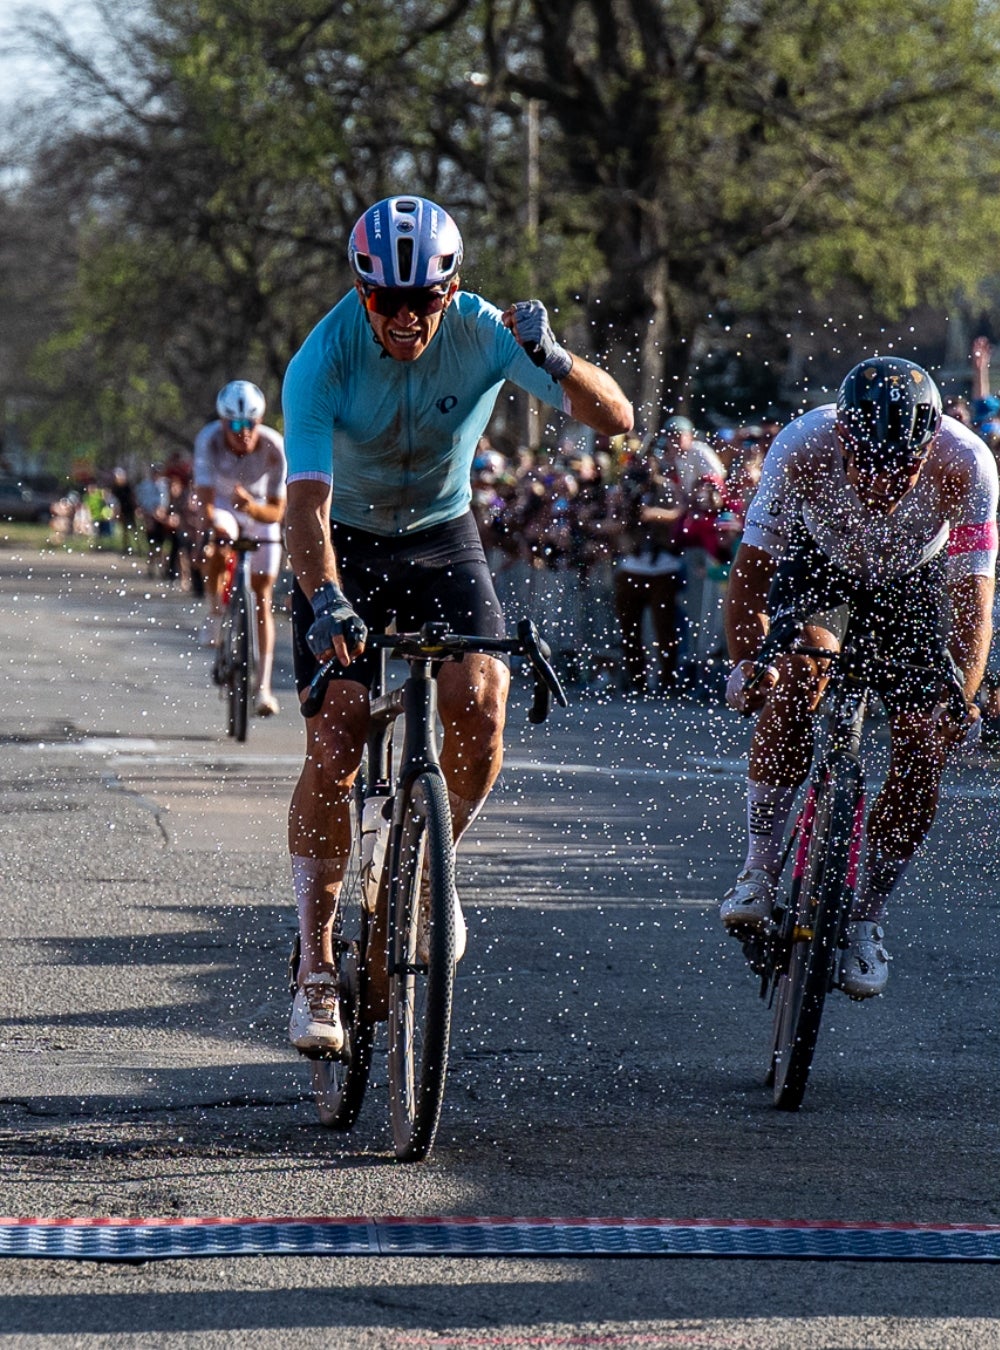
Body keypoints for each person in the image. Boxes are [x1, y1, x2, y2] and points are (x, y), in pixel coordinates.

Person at [281, 195, 635, 1055]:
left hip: (442, 537)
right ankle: (317, 962)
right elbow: (305, 508)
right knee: (337, 732)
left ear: (453, 291)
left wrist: (550, 354)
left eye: (423, 301)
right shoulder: (321, 358)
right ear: (361, 293)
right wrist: (326, 597)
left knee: (481, 702)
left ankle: (423, 868)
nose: (405, 319)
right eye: (385, 301)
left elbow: (615, 419)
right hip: (345, 545)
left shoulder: (485, 330)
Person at [715, 357, 998, 1001]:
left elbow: (973, 602)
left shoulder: (967, 464)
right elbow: (752, 569)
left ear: (929, 447)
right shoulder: (803, 444)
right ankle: (759, 869)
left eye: (899, 468)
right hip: (822, 569)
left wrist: (963, 698)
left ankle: (867, 913)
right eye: (865, 463)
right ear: (842, 438)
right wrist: (746, 664)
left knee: (925, 741)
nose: (879, 482)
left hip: (916, 585)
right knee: (795, 680)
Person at [193, 380, 289, 715]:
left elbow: (277, 510)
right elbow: (204, 501)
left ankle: (263, 687)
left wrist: (251, 507)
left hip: (259, 510)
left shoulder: (274, 447)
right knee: (220, 536)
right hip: (222, 507)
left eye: (250, 424)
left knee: (262, 597)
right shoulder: (208, 441)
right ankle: (216, 611)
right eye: (235, 425)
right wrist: (213, 529)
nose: (243, 433)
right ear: (222, 423)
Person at [610, 433, 688, 695]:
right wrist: (626, 507)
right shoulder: (625, 488)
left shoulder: (666, 486)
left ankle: (668, 680)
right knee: (628, 629)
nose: (642, 466)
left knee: (665, 628)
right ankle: (637, 680)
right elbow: (616, 520)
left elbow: (680, 511)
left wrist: (656, 514)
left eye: (647, 461)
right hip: (631, 564)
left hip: (662, 566)